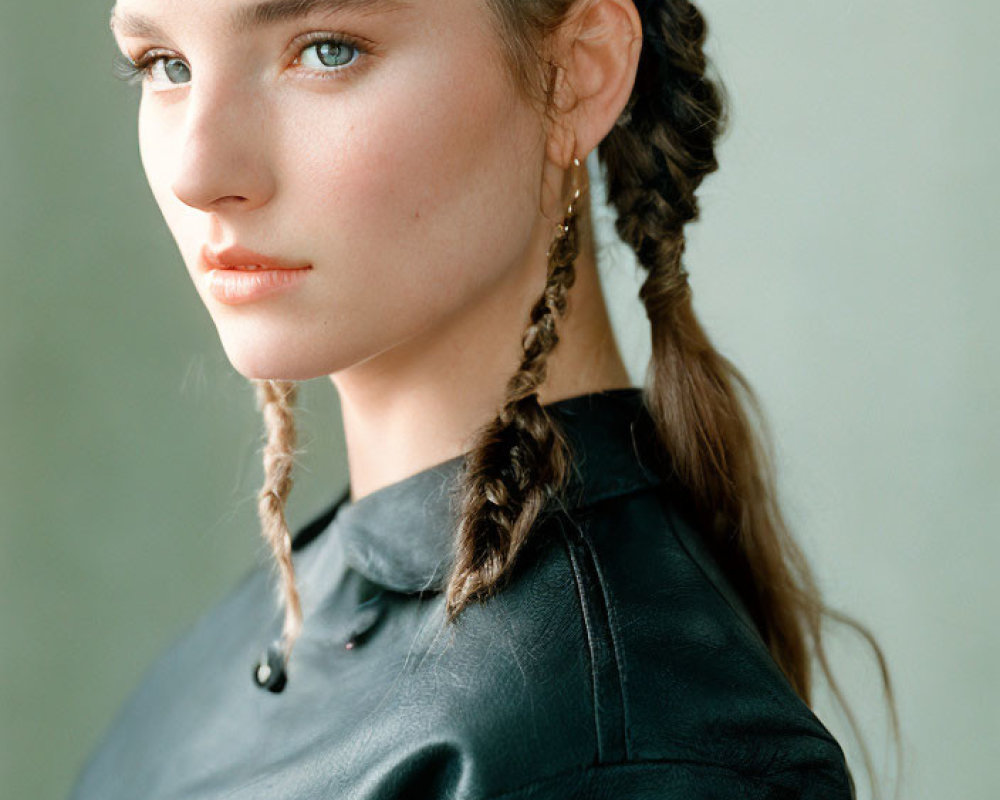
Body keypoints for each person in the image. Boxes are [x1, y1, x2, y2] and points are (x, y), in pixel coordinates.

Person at [70, 0, 898, 797]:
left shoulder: (634, 747)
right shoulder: (311, 591)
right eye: (164, 64)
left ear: (579, 72)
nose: (199, 171)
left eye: (328, 50)